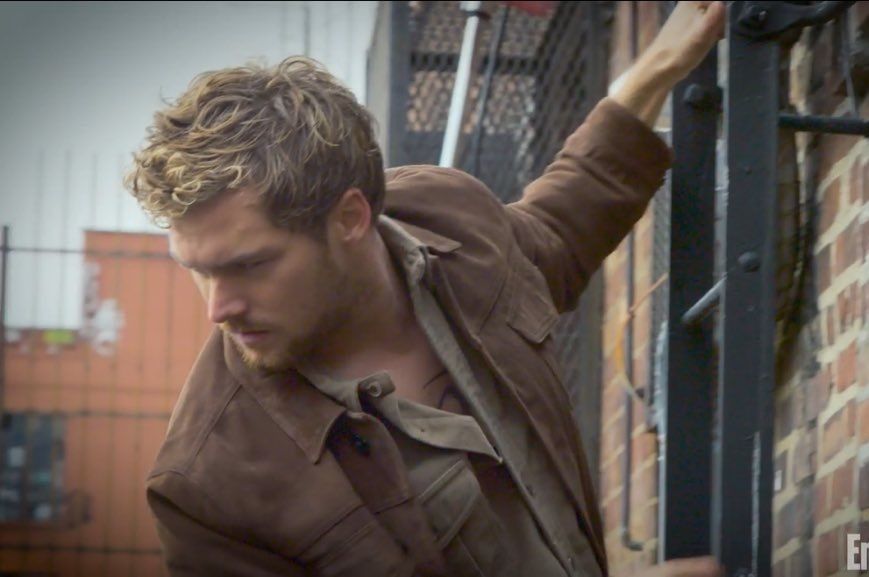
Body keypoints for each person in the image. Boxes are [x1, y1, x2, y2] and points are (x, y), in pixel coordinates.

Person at [126, 2, 726, 576]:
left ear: (350, 218)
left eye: (251, 265)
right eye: (198, 270)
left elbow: (555, 234)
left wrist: (655, 71)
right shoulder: (207, 483)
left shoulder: (448, 212)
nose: (218, 308)